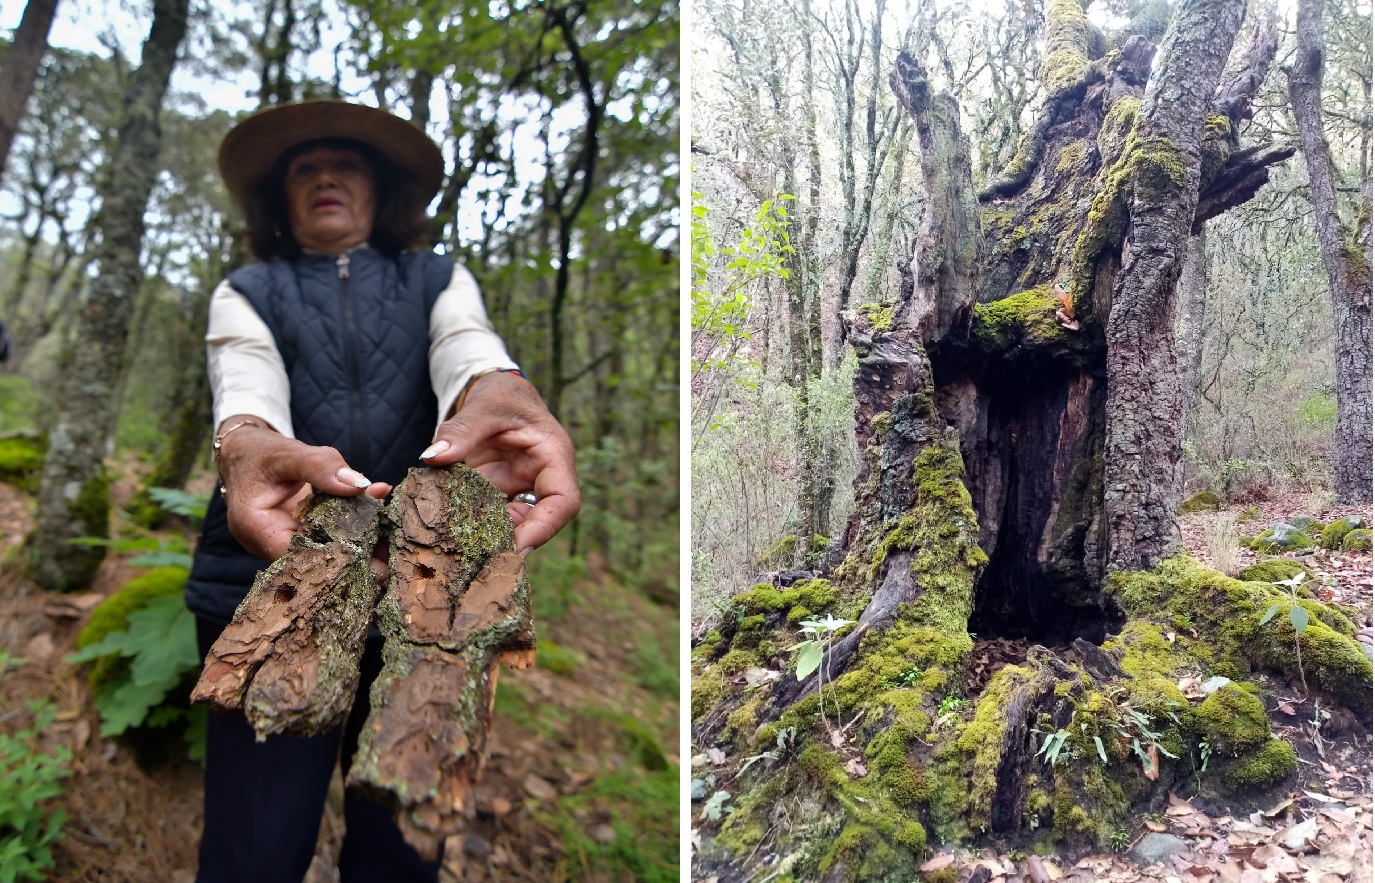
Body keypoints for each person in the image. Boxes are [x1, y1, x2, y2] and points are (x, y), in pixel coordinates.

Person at [184, 101, 580, 883]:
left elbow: (466, 344)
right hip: (270, 582)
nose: (325, 175)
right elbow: (244, 379)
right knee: (252, 846)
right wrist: (249, 443)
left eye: (347, 163)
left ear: (381, 188)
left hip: (425, 590)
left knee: (400, 844)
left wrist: (497, 388)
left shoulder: (436, 278)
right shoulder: (248, 289)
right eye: (304, 166)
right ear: (279, 196)